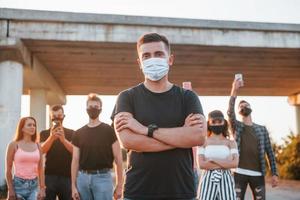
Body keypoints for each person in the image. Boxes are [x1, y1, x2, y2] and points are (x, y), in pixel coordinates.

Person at [112, 32, 206, 200]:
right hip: (138, 192)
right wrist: (180, 137)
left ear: (170, 59)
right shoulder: (127, 97)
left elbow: (198, 136)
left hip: (181, 192)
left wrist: (145, 130)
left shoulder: (188, 97)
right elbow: (128, 141)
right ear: (139, 63)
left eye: (159, 54)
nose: (152, 59)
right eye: (146, 56)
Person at [228, 76, 278, 200]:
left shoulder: (262, 129)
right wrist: (234, 90)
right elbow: (230, 112)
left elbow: (270, 153)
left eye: (246, 105)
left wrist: (274, 173)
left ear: (251, 109)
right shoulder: (236, 127)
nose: (244, 106)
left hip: (258, 174)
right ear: (239, 111)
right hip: (239, 173)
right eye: (241, 106)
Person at [71, 93, 123, 200]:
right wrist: (73, 186)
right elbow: (75, 160)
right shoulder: (78, 133)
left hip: (103, 178)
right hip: (82, 179)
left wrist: (119, 186)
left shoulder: (109, 131)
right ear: (86, 109)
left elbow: (118, 159)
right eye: (90, 107)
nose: (93, 109)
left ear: (100, 109)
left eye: (96, 107)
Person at [198, 110, 238, 200]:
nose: (217, 124)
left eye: (219, 121)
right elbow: (202, 164)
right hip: (208, 178)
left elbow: (234, 164)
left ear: (224, 123)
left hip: (226, 178)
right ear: (209, 123)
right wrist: (226, 162)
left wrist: (212, 160)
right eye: (213, 122)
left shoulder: (231, 143)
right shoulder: (202, 142)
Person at [5, 117, 46, 200]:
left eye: (34, 125)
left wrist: (42, 188)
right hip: (18, 185)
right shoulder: (13, 145)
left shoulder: (38, 146)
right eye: (29, 125)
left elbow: (41, 169)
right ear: (22, 128)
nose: (33, 127)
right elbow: (8, 169)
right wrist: (10, 189)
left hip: (34, 186)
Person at [39, 105, 74, 200]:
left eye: (59, 115)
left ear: (63, 116)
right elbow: (41, 151)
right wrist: (51, 138)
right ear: (50, 117)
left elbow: (74, 152)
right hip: (49, 176)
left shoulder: (71, 133)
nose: (56, 117)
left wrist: (63, 140)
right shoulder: (44, 133)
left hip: (67, 177)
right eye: (53, 115)